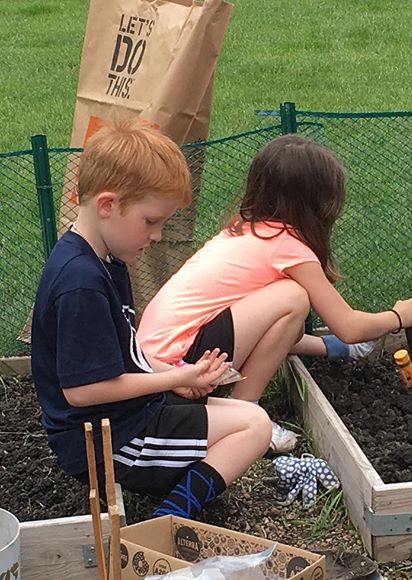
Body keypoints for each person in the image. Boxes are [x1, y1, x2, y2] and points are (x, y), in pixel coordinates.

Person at [30, 120, 271, 521]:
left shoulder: (102, 259)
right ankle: (172, 516)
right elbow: (84, 391)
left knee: (247, 419)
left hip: (123, 419)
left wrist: (184, 374)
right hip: (109, 443)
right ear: (108, 205)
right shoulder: (82, 283)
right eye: (150, 221)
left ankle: (175, 496)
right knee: (254, 427)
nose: (156, 235)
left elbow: (123, 352)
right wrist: (175, 380)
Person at [137, 134, 412, 452]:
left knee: (284, 302)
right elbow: (349, 326)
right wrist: (398, 317)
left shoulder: (247, 228)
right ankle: (244, 412)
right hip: (176, 372)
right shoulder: (287, 246)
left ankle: (323, 356)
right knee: (293, 298)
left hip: (152, 363)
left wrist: (337, 348)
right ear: (315, 203)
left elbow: (262, 331)